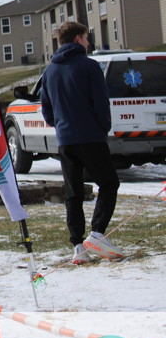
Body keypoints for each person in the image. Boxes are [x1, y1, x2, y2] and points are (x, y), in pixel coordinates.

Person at [40, 21, 123, 265]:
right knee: (109, 183)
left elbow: (46, 109)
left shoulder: (49, 71)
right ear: (78, 39)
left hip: (65, 140)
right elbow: (101, 101)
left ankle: (78, 246)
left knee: (73, 192)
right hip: (90, 137)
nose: (88, 43)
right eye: (87, 38)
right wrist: (102, 128)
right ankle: (97, 234)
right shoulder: (89, 66)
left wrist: (61, 125)